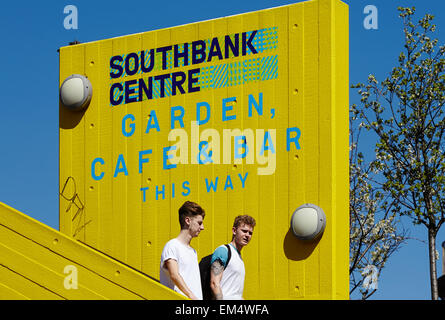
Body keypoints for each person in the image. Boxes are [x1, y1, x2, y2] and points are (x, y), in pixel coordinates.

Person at [160, 201, 205, 300]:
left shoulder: (193, 252)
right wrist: (191, 296)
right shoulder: (172, 246)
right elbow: (174, 275)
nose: (202, 227)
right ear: (188, 221)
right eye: (199, 223)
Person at [209, 215, 256, 300]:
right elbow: (214, 283)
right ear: (234, 231)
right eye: (244, 231)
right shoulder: (223, 251)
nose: (247, 235)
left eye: (250, 233)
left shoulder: (239, 257)